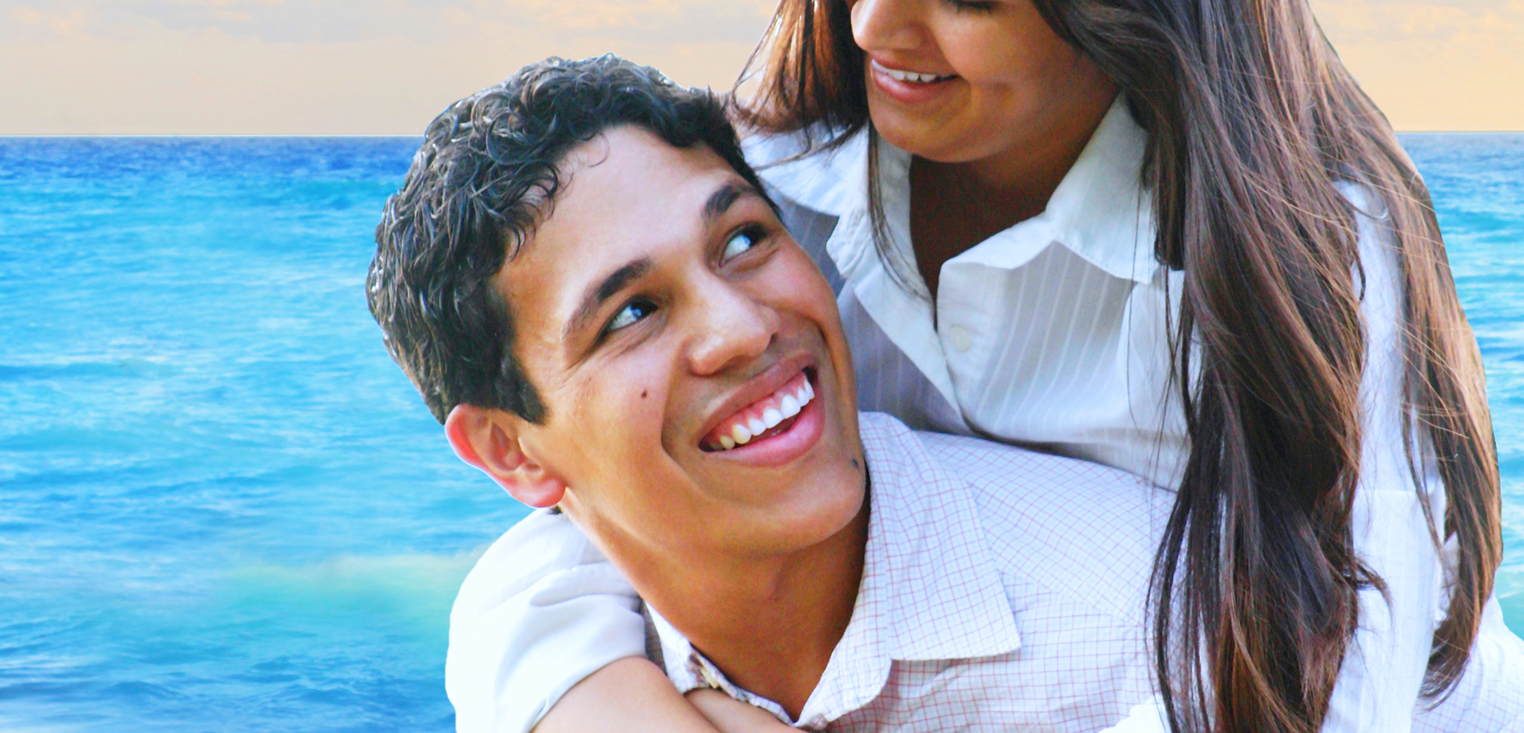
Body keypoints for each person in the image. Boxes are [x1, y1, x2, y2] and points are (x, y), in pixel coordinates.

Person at [443, 0, 1522, 733]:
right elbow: (596, 503)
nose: (873, 18)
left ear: (1123, 5)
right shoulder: (774, 195)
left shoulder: (1307, 258)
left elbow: (1350, 675)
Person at [370, 56, 1183, 731]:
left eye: (744, 238)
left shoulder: (1158, 635)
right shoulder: (570, 650)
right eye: (633, 312)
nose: (744, 328)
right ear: (511, 450)